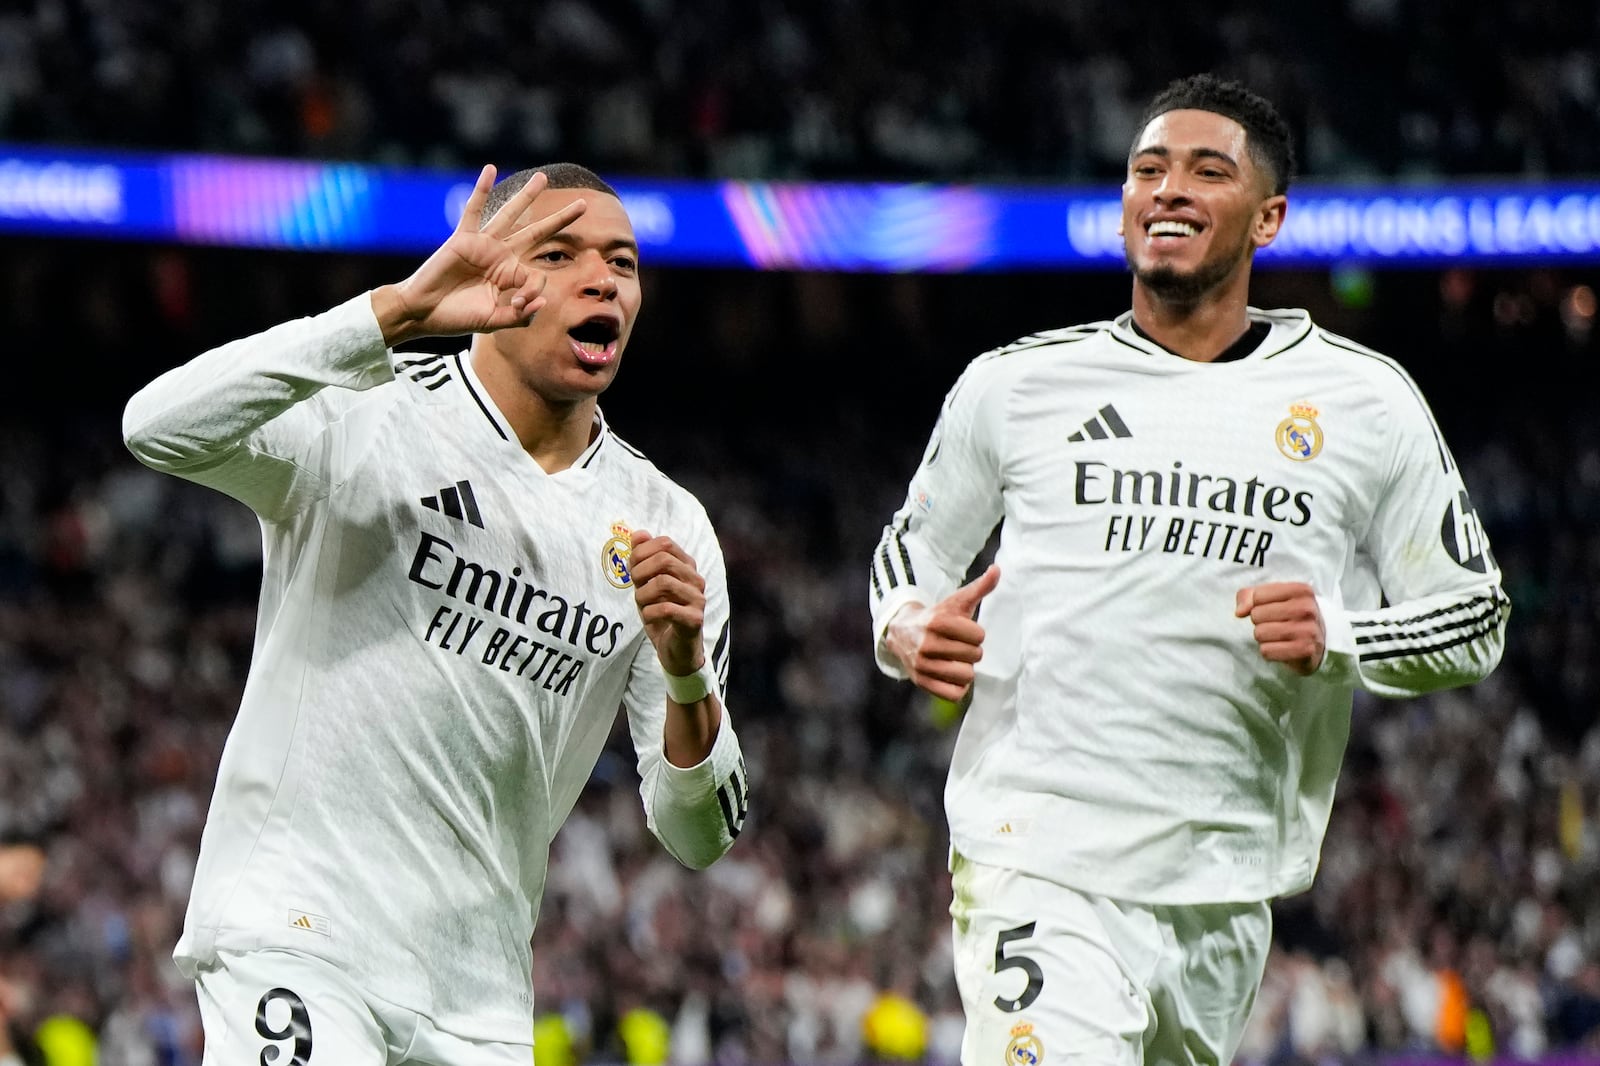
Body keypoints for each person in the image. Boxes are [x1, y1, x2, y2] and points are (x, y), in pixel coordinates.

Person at [868, 73, 1509, 1066]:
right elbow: (907, 558)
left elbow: (1473, 616)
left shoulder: (1364, 402)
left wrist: (1340, 636)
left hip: (1225, 885)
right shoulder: (1015, 384)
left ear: (1268, 218)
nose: (1166, 189)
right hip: (1038, 855)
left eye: (1206, 172)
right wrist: (904, 622)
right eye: (1146, 170)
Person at [123, 162, 751, 1066]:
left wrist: (688, 670)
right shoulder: (367, 418)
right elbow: (157, 426)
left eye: (623, 261)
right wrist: (390, 315)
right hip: (302, 937)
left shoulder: (666, 525)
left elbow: (700, 834)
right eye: (559, 251)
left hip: (479, 1002)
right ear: (496, 270)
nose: (602, 278)